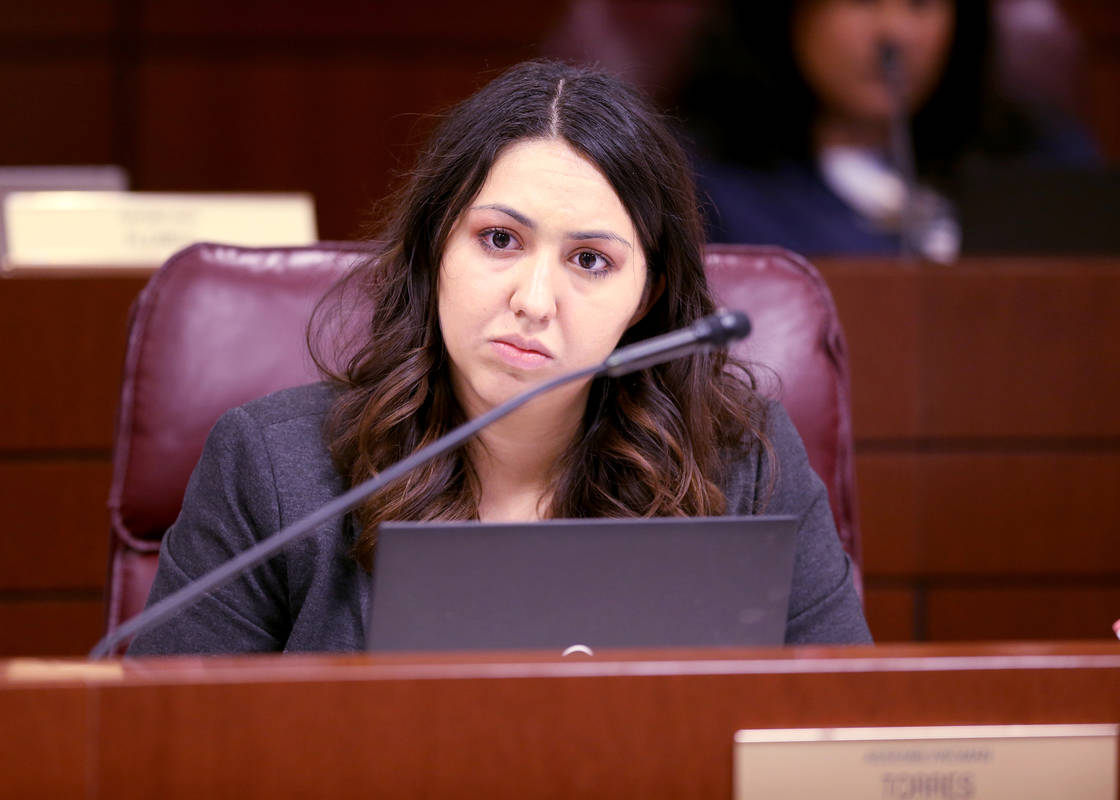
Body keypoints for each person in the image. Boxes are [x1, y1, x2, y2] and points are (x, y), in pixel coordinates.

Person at [128, 60, 871, 655]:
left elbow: (839, 738)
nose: (535, 299)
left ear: (647, 296)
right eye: (499, 240)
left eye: (590, 260)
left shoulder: (743, 465)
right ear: (433, 247)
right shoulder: (275, 471)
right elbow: (156, 749)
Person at [678, 0, 1100, 260]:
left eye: (920, 2)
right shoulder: (709, 189)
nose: (893, 32)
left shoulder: (1047, 160)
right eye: (861, 0)